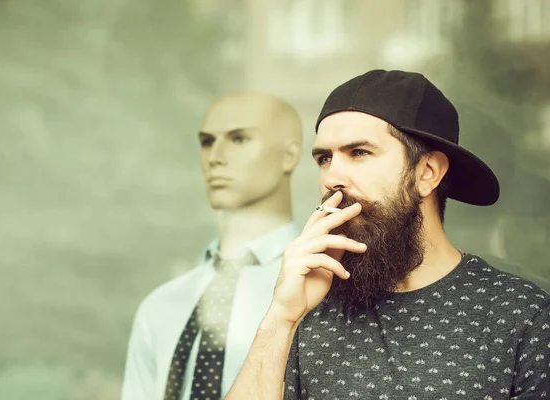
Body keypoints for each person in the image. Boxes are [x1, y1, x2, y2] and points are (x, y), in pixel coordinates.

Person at [224, 70, 550, 399]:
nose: (332, 177)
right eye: (325, 158)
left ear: (427, 172)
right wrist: (282, 318)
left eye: (359, 153)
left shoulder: (519, 315)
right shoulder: (308, 309)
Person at [121, 92, 304, 400]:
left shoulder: (323, 292)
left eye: (240, 139)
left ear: (289, 155)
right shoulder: (161, 307)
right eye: (207, 142)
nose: (215, 156)